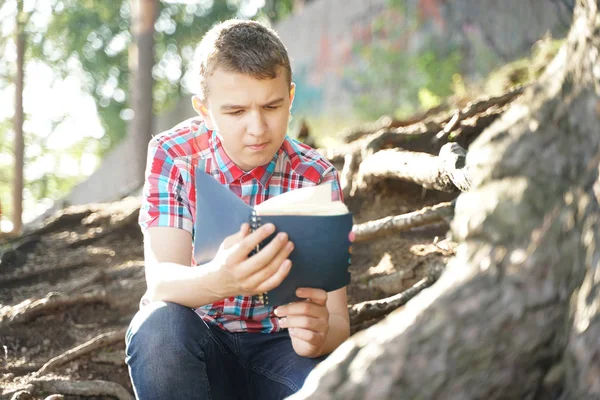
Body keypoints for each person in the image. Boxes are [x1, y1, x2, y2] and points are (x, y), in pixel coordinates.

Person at [125, 19, 351, 400]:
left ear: (291, 97)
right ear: (205, 110)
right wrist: (221, 280)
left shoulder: (317, 176)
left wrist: (317, 335)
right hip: (199, 341)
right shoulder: (174, 154)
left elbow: (339, 322)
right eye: (235, 111)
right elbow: (162, 280)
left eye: (272, 106)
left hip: (282, 350)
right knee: (158, 328)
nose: (257, 128)